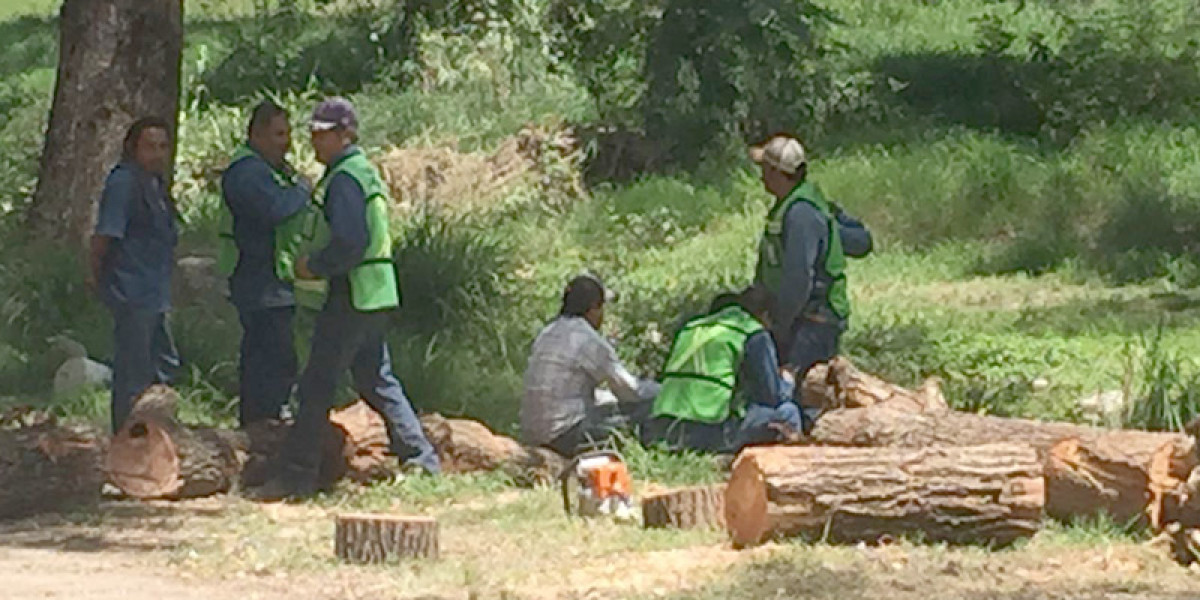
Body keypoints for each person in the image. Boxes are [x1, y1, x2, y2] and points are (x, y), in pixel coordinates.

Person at [250, 97, 439, 500]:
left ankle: (297, 475)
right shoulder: (361, 172)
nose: (315, 142)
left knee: (317, 385)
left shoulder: (345, 179)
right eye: (313, 134)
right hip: (375, 294)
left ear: (345, 134)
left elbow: (351, 241)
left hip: (351, 293)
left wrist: (315, 265)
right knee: (376, 377)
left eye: (323, 134)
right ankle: (422, 459)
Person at [218, 101, 312, 427]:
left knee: (271, 357)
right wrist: (302, 189)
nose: (286, 142)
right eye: (278, 134)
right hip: (258, 282)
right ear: (257, 134)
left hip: (274, 280)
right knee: (272, 359)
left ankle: (263, 423)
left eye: (288, 134)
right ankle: (262, 426)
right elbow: (275, 209)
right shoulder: (247, 172)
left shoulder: (270, 170)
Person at [89, 117, 181, 433]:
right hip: (132, 291)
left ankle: (157, 438)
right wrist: (98, 278)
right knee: (134, 375)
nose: (156, 154)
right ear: (133, 148)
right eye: (149, 147)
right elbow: (105, 236)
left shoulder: (154, 185)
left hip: (155, 294)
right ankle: (126, 444)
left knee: (164, 368)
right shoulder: (124, 183)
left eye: (162, 146)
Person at [750, 133, 861, 381]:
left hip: (813, 321)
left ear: (777, 172)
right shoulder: (789, 205)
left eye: (765, 168)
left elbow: (798, 277)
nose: (760, 175)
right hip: (800, 317)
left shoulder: (802, 213)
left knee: (800, 391)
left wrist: (780, 324)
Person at [644, 285, 801, 453]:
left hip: (662, 428)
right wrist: (787, 382)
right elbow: (771, 396)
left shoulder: (692, 327)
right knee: (788, 412)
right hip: (709, 431)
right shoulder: (751, 332)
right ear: (765, 316)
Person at [522, 274, 660, 457]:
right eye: (601, 307)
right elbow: (629, 392)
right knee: (644, 409)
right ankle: (655, 451)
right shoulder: (588, 339)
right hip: (565, 434)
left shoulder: (547, 333)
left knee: (608, 404)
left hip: (533, 433)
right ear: (593, 308)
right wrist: (662, 390)